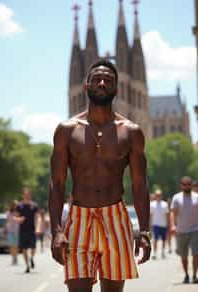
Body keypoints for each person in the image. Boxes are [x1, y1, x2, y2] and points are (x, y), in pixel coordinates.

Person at [49, 59, 151, 292]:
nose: (102, 83)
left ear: (116, 89)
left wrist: (144, 230)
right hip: (78, 217)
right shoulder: (67, 130)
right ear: (86, 86)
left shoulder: (131, 132)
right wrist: (56, 230)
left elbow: (139, 185)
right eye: (96, 79)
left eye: (108, 80)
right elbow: (56, 183)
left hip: (115, 216)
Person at [171, 176, 198, 284]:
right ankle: (186, 275)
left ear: (191, 185)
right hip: (181, 230)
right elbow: (173, 213)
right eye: (184, 184)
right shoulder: (177, 198)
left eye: (188, 184)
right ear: (181, 186)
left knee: (196, 253)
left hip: (195, 229)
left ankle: (195, 275)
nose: (186, 186)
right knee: (184, 255)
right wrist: (173, 225)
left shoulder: (197, 197)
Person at [15, 188, 38, 273]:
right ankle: (27, 266)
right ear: (23, 195)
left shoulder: (34, 205)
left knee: (33, 248)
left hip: (32, 230)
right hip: (22, 230)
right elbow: (15, 217)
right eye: (25, 194)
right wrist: (19, 219)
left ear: (30, 195)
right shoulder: (19, 206)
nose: (27, 196)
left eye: (28, 194)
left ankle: (31, 258)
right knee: (24, 249)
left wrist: (38, 228)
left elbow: (37, 217)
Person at [150, 189, 169, 259]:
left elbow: (167, 215)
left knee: (164, 239)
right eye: (157, 195)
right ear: (155, 196)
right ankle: (154, 253)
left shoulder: (165, 204)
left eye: (159, 195)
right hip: (155, 224)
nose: (158, 196)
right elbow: (151, 215)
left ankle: (163, 252)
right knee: (155, 239)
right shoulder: (152, 204)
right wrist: (150, 225)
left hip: (164, 225)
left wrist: (168, 224)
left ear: (161, 196)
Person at [5, 200, 19, 265]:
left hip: (17, 230)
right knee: (11, 245)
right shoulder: (8, 213)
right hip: (10, 230)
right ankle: (13, 257)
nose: (15, 206)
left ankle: (15, 257)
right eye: (14, 204)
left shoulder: (19, 212)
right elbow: (7, 221)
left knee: (16, 245)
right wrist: (4, 228)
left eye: (16, 204)